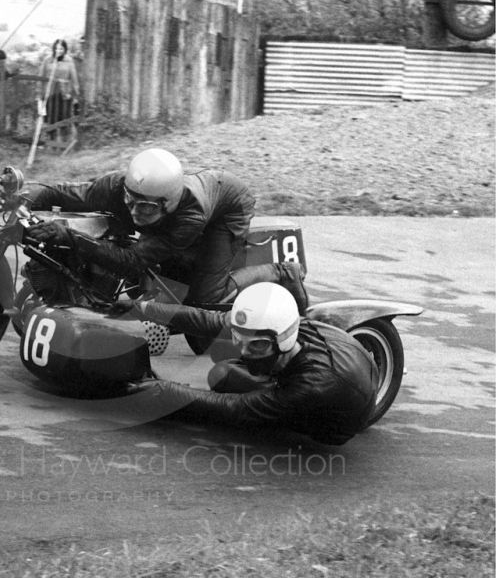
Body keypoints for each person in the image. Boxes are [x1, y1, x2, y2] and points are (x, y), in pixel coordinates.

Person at [25, 148, 308, 314]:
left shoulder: (189, 217)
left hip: (227, 206)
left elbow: (131, 262)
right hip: (193, 194)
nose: (134, 213)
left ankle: (281, 271)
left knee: (205, 302)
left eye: (145, 208)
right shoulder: (118, 186)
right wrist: (18, 202)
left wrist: (71, 237)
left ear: (168, 203)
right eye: (130, 201)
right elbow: (60, 193)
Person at [114, 282, 378, 446]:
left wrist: (163, 391)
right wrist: (140, 308)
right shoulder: (277, 324)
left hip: (327, 426)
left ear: (283, 339)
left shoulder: (313, 384)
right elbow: (207, 320)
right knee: (222, 368)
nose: (245, 350)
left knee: (228, 390)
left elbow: (235, 408)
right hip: (341, 361)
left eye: (258, 345)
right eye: (241, 339)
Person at [36, 39, 80, 141]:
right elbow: (41, 77)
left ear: (65, 49)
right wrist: (39, 94)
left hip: (65, 93)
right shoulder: (47, 60)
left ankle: (64, 142)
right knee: (51, 117)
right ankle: (52, 141)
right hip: (50, 93)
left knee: (64, 116)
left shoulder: (69, 61)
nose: (58, 50)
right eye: (56, 48)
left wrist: (76, 93)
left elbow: (74, 78)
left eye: (61, 48)